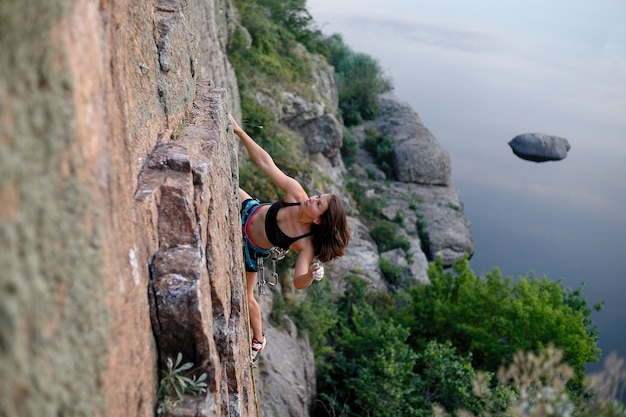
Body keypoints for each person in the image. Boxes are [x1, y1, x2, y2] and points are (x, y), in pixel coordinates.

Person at [230, 115, 351, 360]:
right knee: (224, 180)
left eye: (318, 203)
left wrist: (311, 275)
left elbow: (298, 281)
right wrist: (238, 131)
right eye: (318, 195)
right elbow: (266, 163)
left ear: (318, 219)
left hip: (250, 248)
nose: (312, 198)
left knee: (248, 297)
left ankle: (259, 339)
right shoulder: (296, 193)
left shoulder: (305, 243)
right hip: (248, 209)